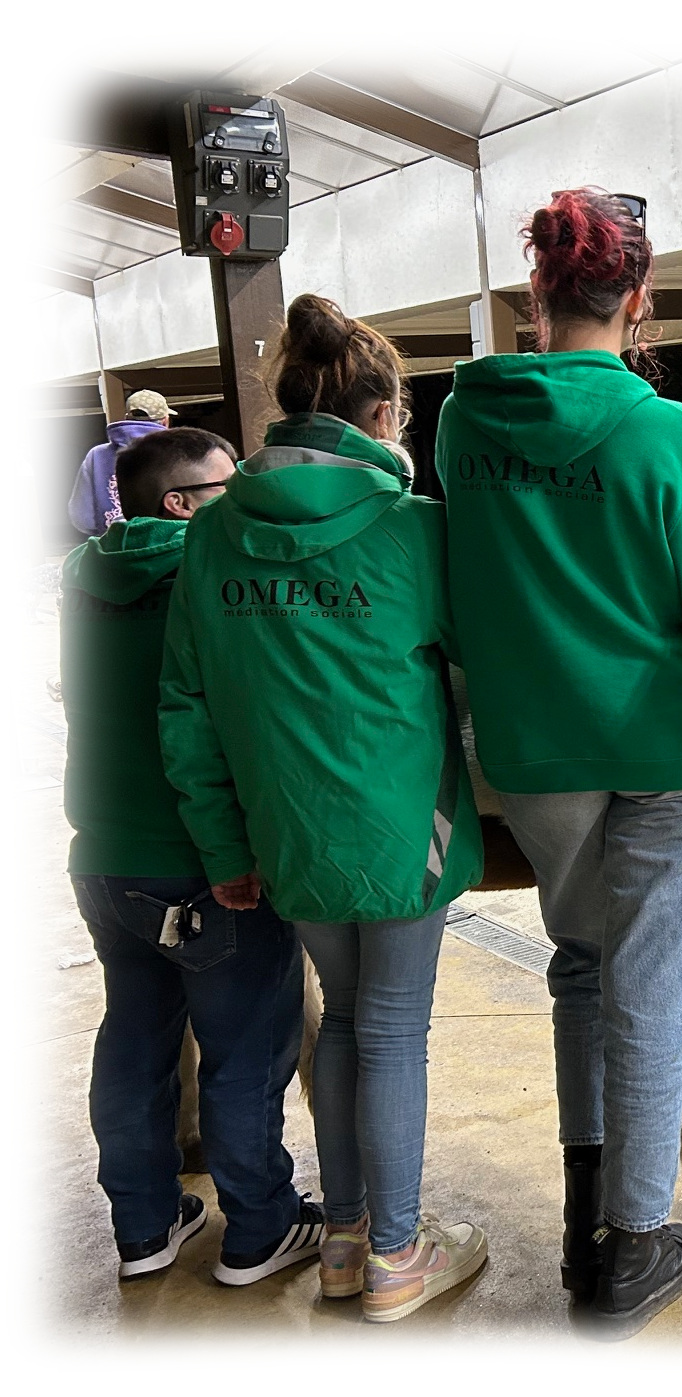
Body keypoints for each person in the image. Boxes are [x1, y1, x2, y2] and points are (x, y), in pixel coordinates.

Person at [436, 189, 682, 1338]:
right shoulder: (673, 437)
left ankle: (581, 1209)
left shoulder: (464, 427)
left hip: (536, 758)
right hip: (669, 754)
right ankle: (636, 1239)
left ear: (533, 298)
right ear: (638, 301)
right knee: (649, 990)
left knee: (582, 966)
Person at [159, 293, 487, 1322]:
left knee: (341, 1020)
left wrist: (223, 841)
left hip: (282, 834)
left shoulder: (209, 542)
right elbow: (487, 667)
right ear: (384, 416)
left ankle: (346, 1235)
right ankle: (396, 1253)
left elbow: (187, 707)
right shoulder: (413, 531)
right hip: (401, 834)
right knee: (391, 1030)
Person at [63, 426, 315, 1286]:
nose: (242, 497)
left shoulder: (80, 574)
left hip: (102, 858)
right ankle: (260, 1229)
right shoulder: (210, 575)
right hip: (203, 862)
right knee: (244, 1047)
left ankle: (145, 1224)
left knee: (134, 1037)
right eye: (226, 487)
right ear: (179, 504)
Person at [70, 389, 173, 537]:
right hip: (168, 547)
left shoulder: (97, 455)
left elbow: (82, 518)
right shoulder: (178, 453)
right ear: (165, 421)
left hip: (113, 550)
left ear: (127, 417)